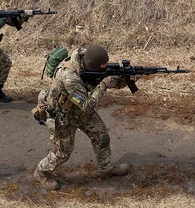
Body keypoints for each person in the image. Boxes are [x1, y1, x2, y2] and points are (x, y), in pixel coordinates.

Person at [33, 44, 131, 190]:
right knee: (63, 153)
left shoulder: (85, 59)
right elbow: (86, 104)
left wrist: (126, 78)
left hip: (78, 110)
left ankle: (106, 168)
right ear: (92, 66)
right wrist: (104, 85)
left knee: (101, 135)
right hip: (63, 115)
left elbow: (102, 79)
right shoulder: (69, 77)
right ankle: (41, 172)